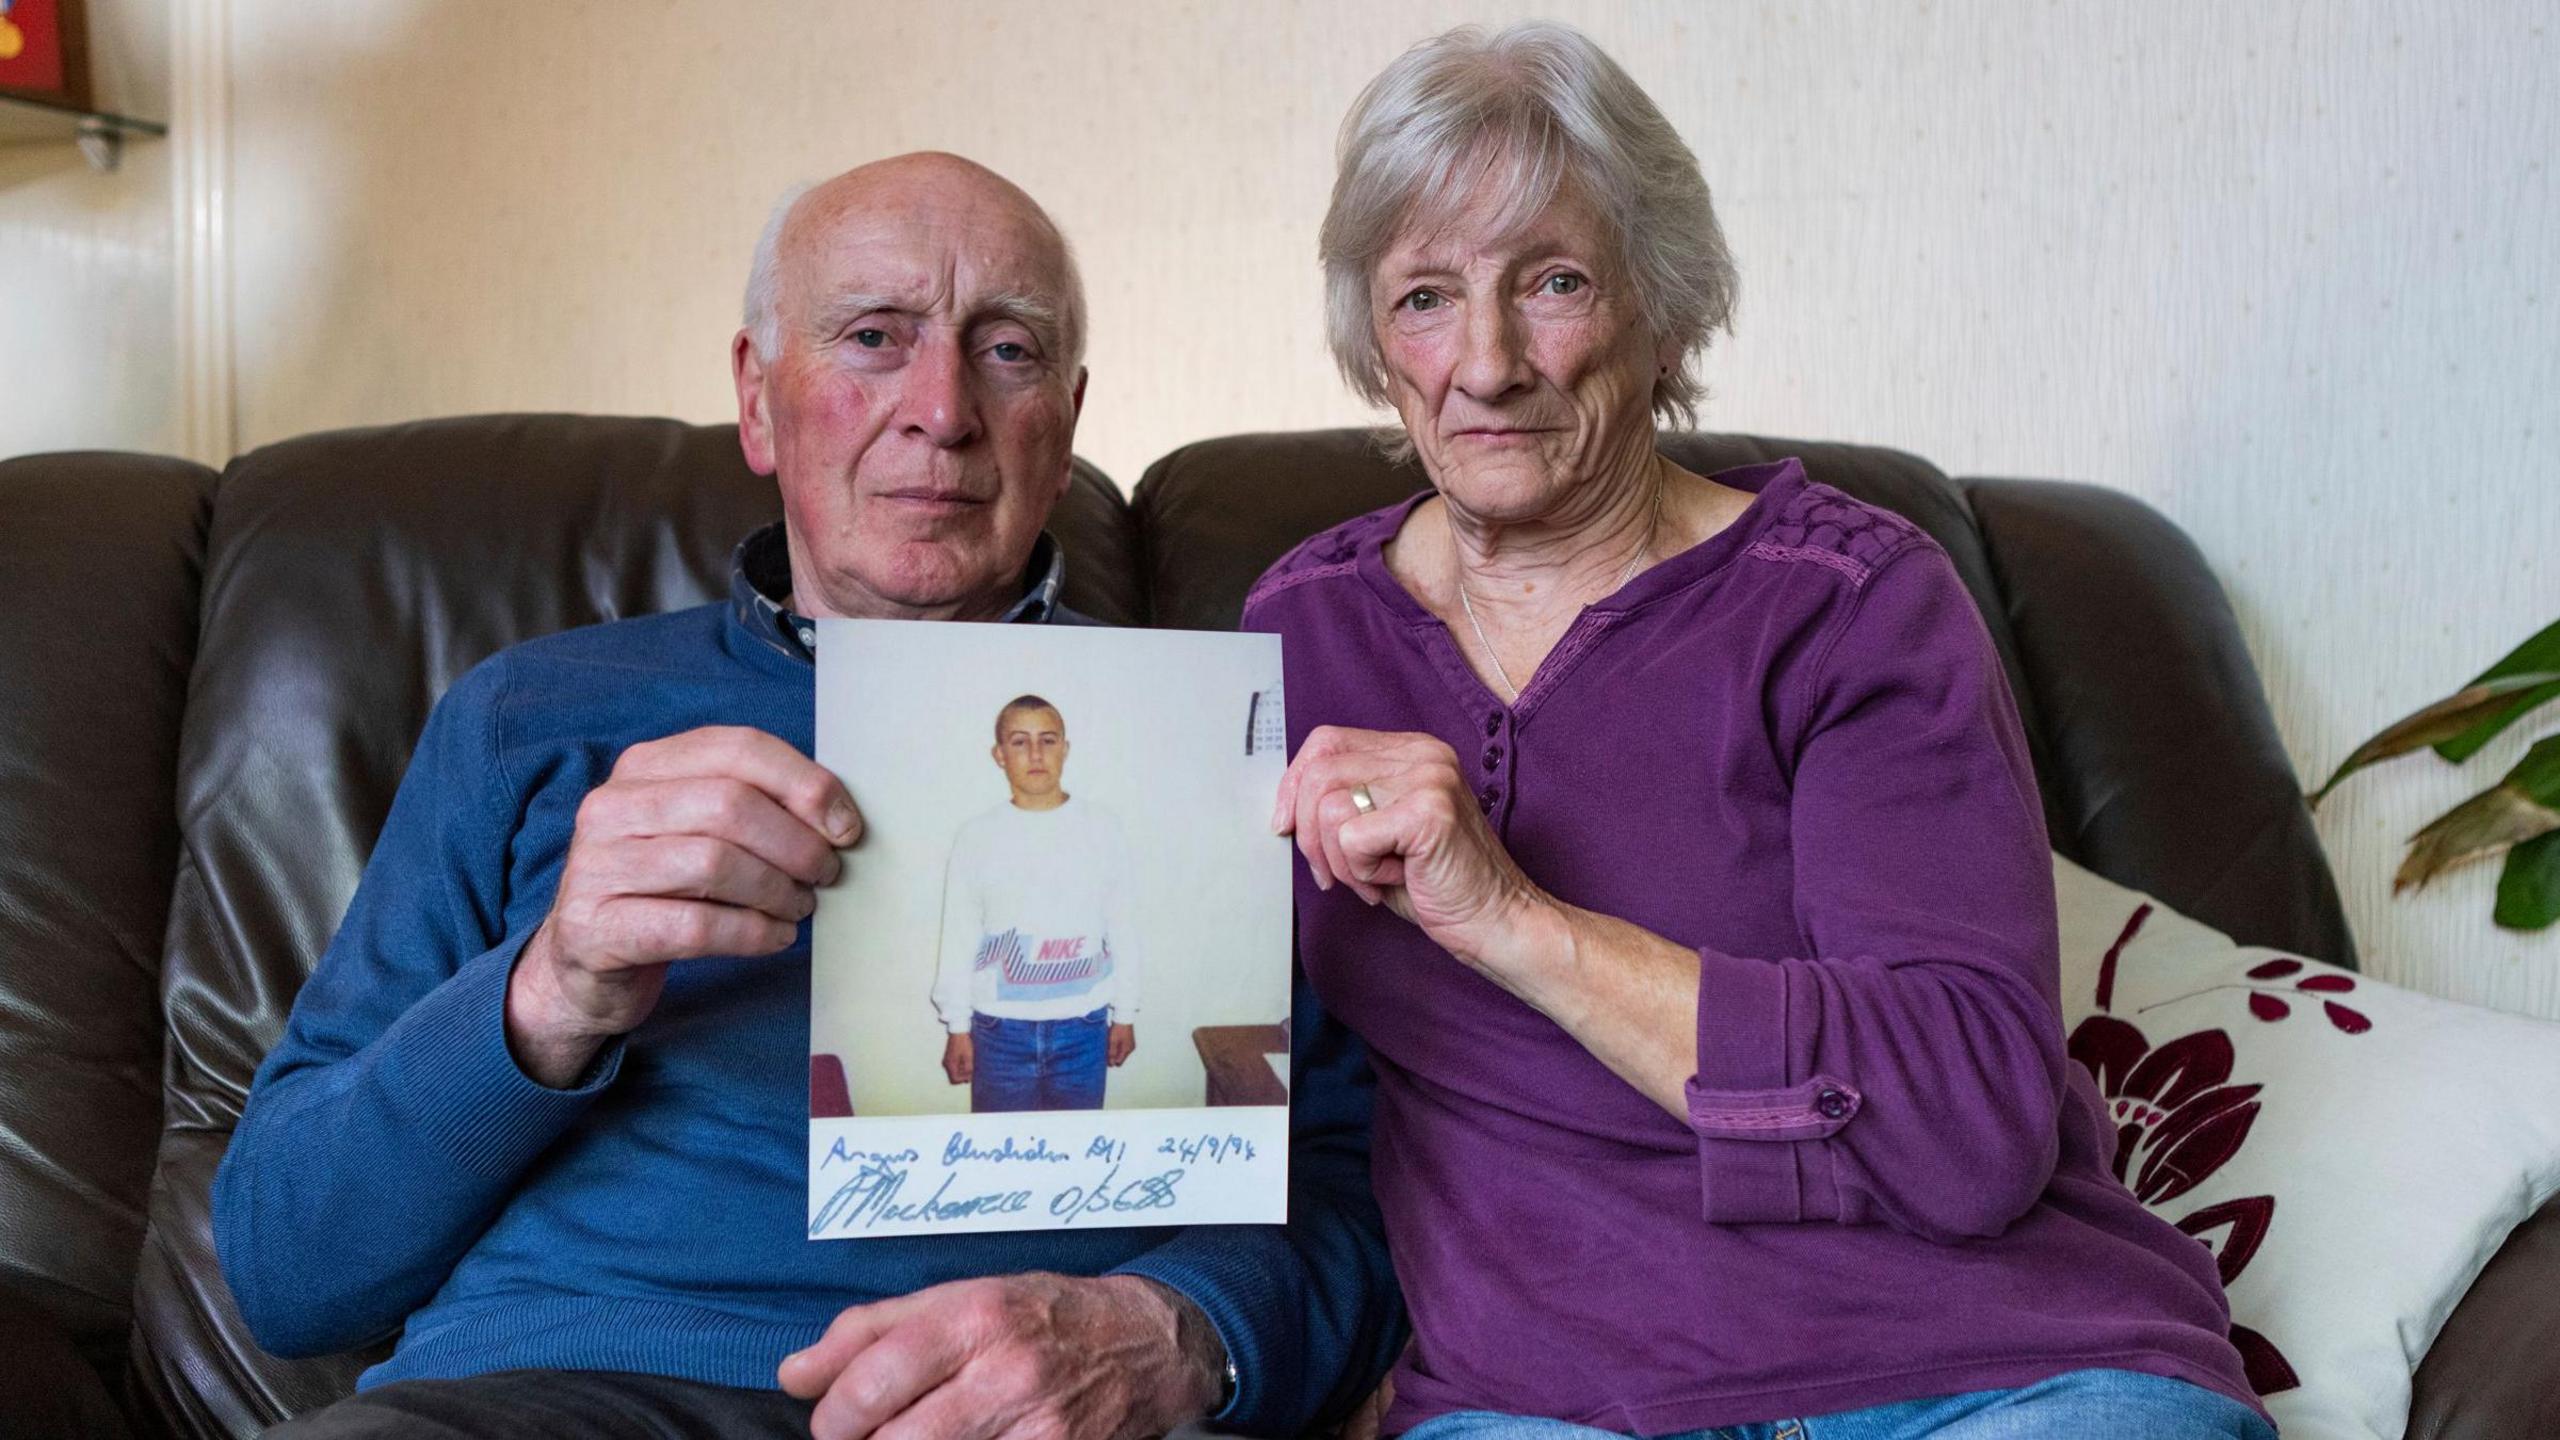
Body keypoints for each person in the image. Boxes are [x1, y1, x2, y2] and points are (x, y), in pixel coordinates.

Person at [212, 152, 1400, 1440]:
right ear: (758, 400)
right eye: (874, 337)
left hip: (1019, 1411)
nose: (940, 410)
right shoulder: (532, 715)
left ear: (1063, 423)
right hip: (561, 1393)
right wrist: (551, 991)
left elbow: (1373, 1182)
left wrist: (1174, 1327)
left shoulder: (1227, 743)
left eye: (1006, 351)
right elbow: (286, 1269)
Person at [1252, 23, 2274, 1440]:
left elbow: (1970, 1129)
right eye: (1425, 297)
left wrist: (1514, 922)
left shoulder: (1848, 604)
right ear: (1376, 341)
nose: (1485, 365)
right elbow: (1238, 1085)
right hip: (1555, 1403)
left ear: (1665, 311)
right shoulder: (1300, 639)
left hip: (1988, 1373)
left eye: (1552, 283)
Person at [933, 694, 1143, 1111]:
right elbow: (959, 933)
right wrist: (957, 1025)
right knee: (1002, 1146)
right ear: (999, 755)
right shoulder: (977, 836)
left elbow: (1123, 925)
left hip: (1084, 1028)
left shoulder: (1102, 829)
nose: (1035, 754)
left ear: (1065, 749)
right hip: (999, 1032)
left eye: (1048, 740)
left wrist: (1125, 1014)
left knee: (1077, 1146)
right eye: (1019, 741)